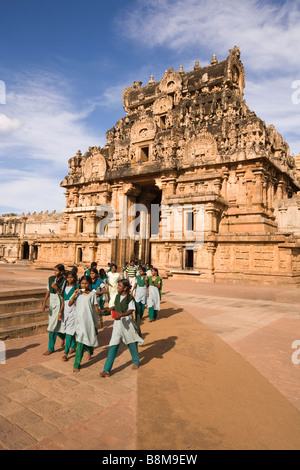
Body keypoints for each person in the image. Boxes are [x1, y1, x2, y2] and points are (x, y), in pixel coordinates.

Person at [99, 279, 144, 377]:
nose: (117, 287)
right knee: (113, 345)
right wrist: (109, 309)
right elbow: (117, 306)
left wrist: (121, 315)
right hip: (117, 325)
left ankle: (136, 361)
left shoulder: (130, 298)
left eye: (119, 286)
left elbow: (131, 310)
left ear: (125, 288)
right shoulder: (117, 296)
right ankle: (106, 370)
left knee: (131, 342)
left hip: (128, 324)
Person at [68, 275, 100, 372]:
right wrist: (74, 294)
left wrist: (99, 319)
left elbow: (95, 307)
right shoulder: (78, 294)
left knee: (87, 337)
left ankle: (90, 350)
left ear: (89, 284)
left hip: (88, 320)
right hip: (79, 321)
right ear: (79, 284)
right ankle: (77, 364)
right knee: (80, 341)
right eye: (82, 283)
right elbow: (69, 304)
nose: (84, 285)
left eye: (86, 283)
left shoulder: (92, 294)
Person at [42, 264, 66, 355]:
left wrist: (57, 288)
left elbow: (64, 295)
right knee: (55, 325)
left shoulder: (64, 281)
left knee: (53, 326)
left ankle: (50, 348)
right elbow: (48, 291)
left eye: (57, 270)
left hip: (59, 303)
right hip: (52, 303)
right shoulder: (51, 279)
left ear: (61, 272)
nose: (55, 272)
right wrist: (44, 302)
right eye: (54, 270)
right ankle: (64, 337)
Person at [58, 271, 77, 362]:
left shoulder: (76, 288)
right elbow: (63, 301)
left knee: (69, 331)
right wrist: (60, 312)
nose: (69, 279)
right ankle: (73, 346)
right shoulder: (65, 287)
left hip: (73, 311)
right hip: (66, 311)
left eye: (71, 277)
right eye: (68, 277)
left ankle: (66, 352)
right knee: (69, 330)